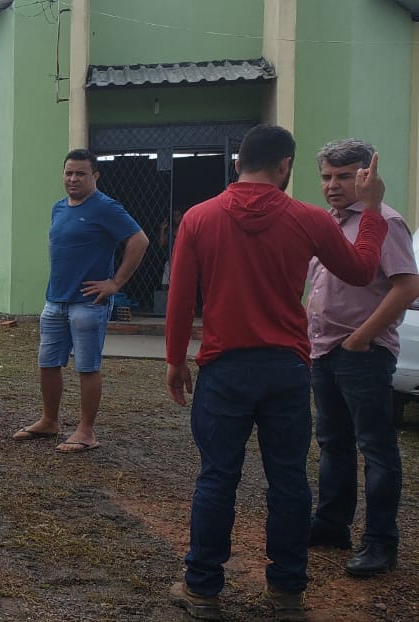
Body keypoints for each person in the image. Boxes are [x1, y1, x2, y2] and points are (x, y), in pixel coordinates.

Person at [164, 125, 386, 621]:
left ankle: (202, 589)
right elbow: (360, 269)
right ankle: (286, 592)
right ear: (285, 164)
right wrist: (370, 211)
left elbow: (181, 298)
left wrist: (175, 359)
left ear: (238, 162)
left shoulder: (199, 218)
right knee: (288, 481)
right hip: (286, 367)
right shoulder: (308, 218)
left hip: (224, 368)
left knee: (217, 477)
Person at [305, 139, 419, 577]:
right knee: (332, 442)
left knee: (376, 447)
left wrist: (360, 339)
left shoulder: (384, 222)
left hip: (362, 352)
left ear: (367, 176)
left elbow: (407, 286)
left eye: (345, 176)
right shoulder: (329, 224)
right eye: (327, 177)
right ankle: (332, 524)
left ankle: (381, 542)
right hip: (324, 348)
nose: (333, 185)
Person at [14, 149, 148, 452]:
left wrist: (115, 283)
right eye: (68, 173)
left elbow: (139, 240)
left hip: (88, 303)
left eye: (80, 174)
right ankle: (50, 421)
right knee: (48, 363)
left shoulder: (106, 207)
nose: (73, 179)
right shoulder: (58, 208)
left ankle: (87, 431)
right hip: (55, 300)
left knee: (87, 367)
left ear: (94, 176)